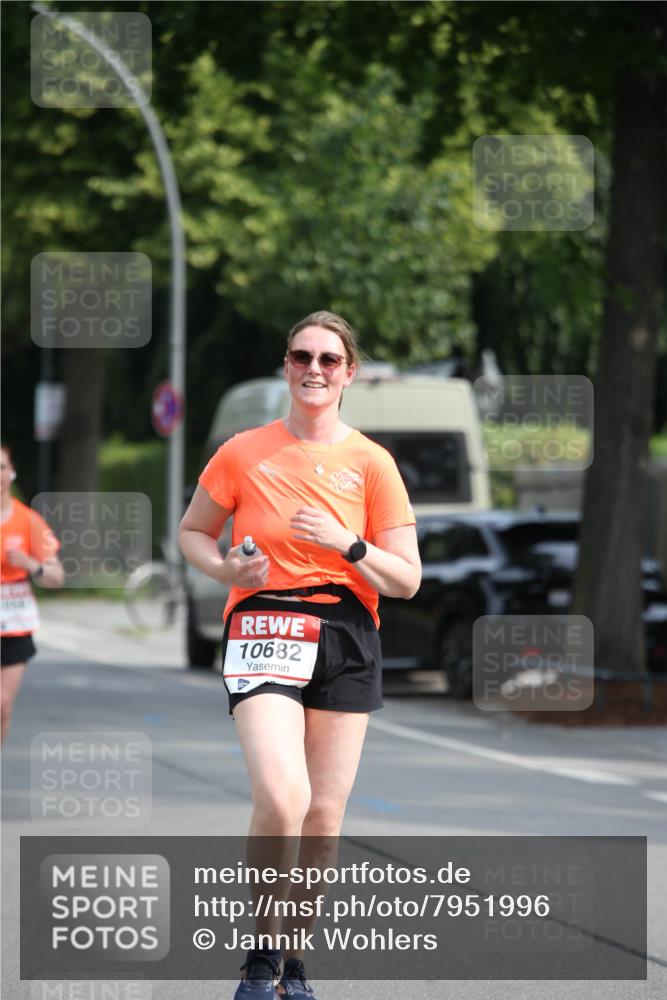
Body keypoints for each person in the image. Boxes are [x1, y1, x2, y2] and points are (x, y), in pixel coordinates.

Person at [179, 311, 421, 999]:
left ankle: (294, 963)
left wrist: (350, 543)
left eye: (328, 359)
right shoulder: (242, 451)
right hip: (265, 625)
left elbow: (406, 578)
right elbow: (194, 530)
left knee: (323, 818)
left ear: (349, 373)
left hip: (346, 633)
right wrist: (225, 569)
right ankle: (261, 959)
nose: (314, 369)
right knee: (284, 797)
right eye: (301, 356)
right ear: (286, 366)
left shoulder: (372, 463)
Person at [1, 444, 64, 744]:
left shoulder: (28, 521)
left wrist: (31, 565)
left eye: (2, 467)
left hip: (14, 624)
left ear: (11, 473)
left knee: (2, 706)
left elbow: (56, 576)